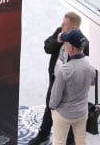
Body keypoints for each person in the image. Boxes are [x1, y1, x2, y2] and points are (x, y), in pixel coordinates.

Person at [30, 12, 89, 145]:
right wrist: (57, 41)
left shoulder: (81, 40)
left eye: (64, 24)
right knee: (50, 107)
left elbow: (87, 55)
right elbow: (47, 47)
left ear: (74, 27)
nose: (61, 26)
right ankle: (43, 135)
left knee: (69, 114)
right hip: (55, 78)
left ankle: (70, 141)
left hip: (70, 84)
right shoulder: (59, 32)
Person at [48, 29, 95, 145]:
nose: (64, 45)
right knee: (81, 140)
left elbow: (55, 97)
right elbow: (92, 83)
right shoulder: (90, 67)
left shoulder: (64, 70)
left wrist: (52, 108)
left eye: (66, 43)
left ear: (71, 48)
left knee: (59, 141)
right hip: (82, 112)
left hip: (65, 114)